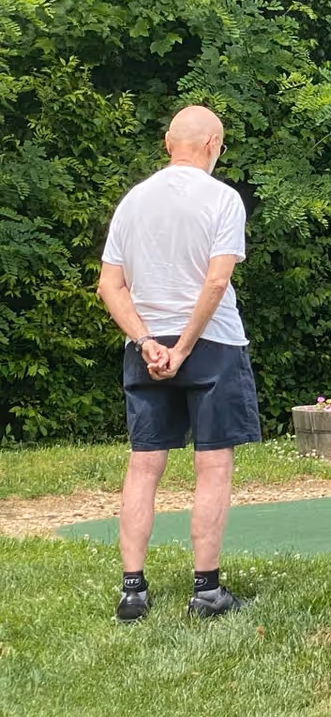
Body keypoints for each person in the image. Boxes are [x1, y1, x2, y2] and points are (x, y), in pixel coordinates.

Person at [97, 105, 259, 621]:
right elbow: (216, 281)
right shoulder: (223, 199)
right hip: (210, 343)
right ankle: (206, 590)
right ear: (214, 145)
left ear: (169, 142)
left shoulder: (132, 202)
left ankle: (132, 590)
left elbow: (109, 286)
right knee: (212, 465)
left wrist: (146, 342)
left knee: (144, 465)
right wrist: (186, 346)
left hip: (145, 345)